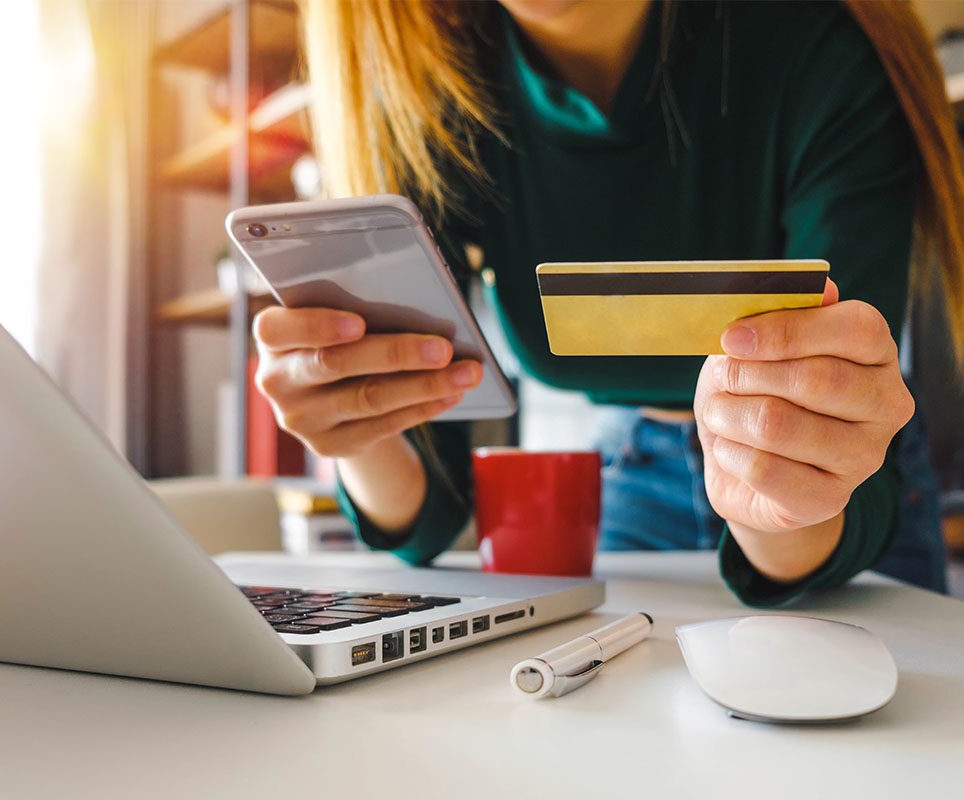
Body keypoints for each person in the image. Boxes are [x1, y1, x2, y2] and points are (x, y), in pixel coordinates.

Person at [252, 0, 964, 605]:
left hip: (854, 484)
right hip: (631, 470)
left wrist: (784, 505)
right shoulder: (431, 85)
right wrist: (359, 427)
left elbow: (843, 427)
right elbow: (427, 521)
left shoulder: (826, 43)